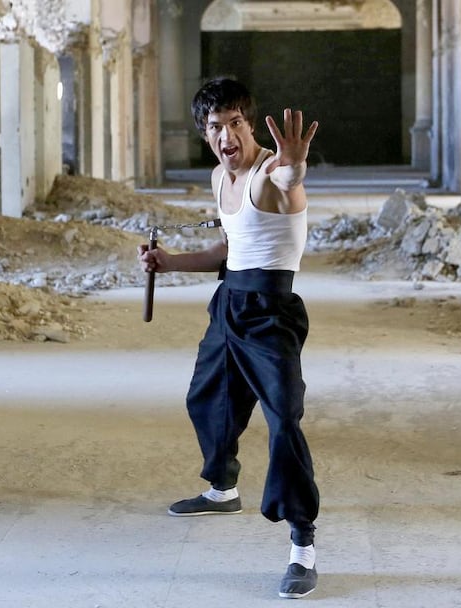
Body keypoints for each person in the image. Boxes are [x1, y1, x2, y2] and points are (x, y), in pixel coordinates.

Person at [138, 77, 320, 599]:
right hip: (229, 304)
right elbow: (229, 247)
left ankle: (302, 543)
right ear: (205, 133)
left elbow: (291, 181)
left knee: (284, 419)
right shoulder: (222, 177)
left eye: (235, 123)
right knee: (208, 398)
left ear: (249, 124)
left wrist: (295, 164)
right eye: (215, 127)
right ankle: (222, 489)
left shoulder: (268, 173)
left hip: (270, 312)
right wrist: (169, 263)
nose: (226, 136)